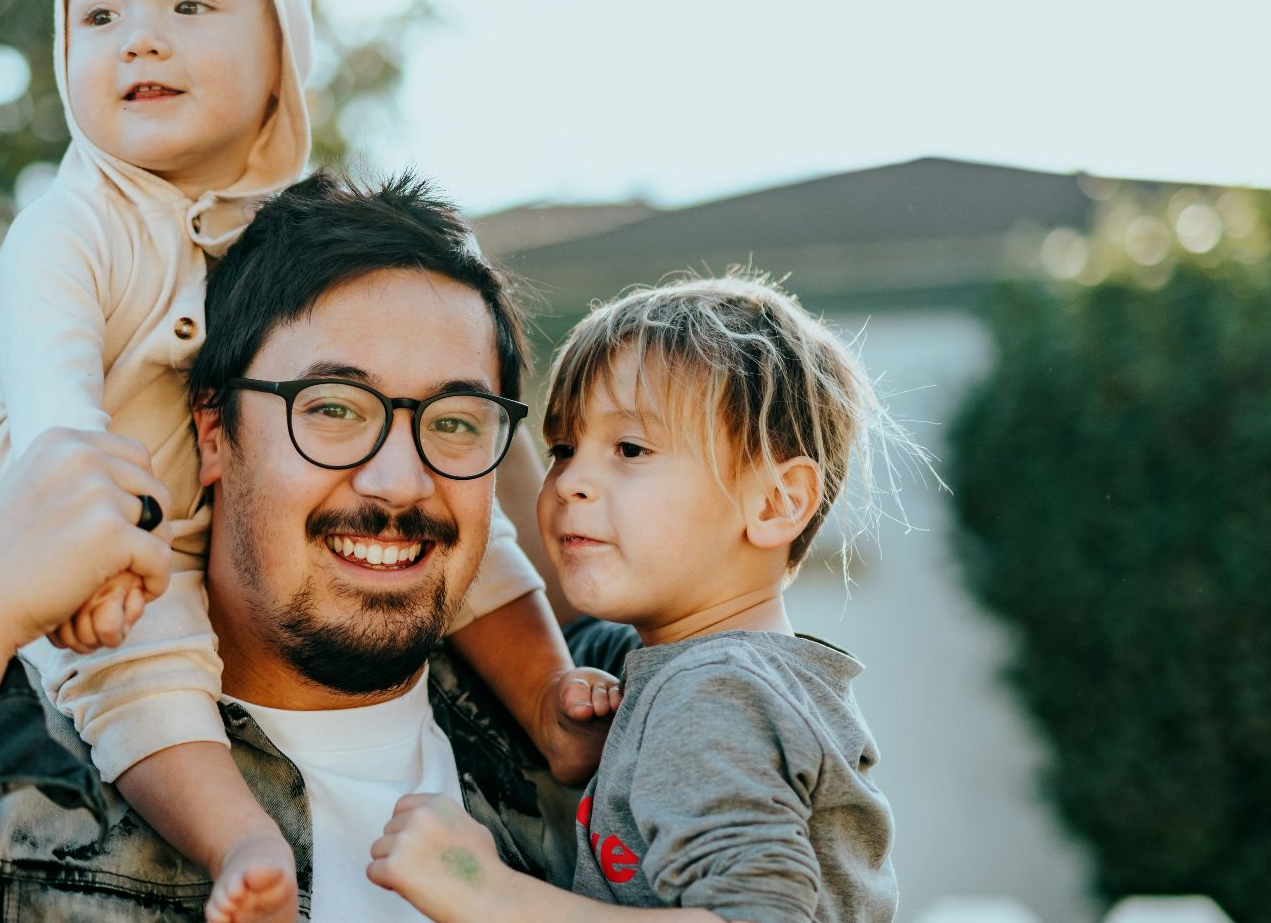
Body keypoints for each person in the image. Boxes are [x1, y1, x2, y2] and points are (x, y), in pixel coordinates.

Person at [0, 173, 595, 922]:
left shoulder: (624, 746)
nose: (399, 481)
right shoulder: (15, 818)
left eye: (454, 421)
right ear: (214, 436)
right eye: (331, 410)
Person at [0, 0, 610, 923]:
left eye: (189, 7)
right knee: (144, 673)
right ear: (217, 425)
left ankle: (547, 699)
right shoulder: (70, 227)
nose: (140, 38)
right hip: (111, 553)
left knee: (474, 527)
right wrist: (89, 549)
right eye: (99, 15)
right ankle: (241, 844)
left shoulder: (296, 236)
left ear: (282, 58)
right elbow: (54, 416)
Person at [369, 274, 922, 923]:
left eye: (630, 448)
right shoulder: (677, 668)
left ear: (777, 502)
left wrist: (486, 893)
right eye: (563, 449)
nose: (571, 480)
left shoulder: (713, 696)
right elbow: (562, 620)